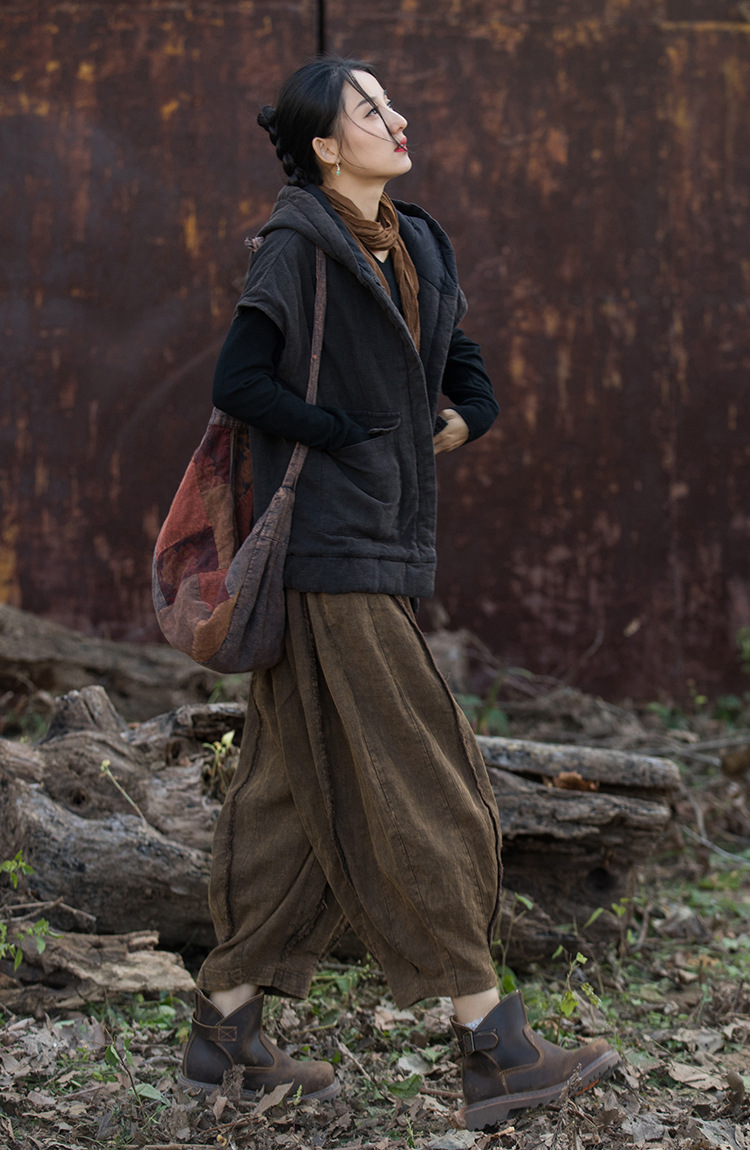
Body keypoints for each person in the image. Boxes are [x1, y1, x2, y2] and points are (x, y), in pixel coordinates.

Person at [178, 55, 619, 1130]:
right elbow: (240, 382)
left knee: (288, 798)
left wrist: (471, 410)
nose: (395, 115)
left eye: (390, 102)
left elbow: (457, 354)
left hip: (378, 543)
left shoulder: (414, 241)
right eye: (369, 108)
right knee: (430, 780)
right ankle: (493, 1045)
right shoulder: (297, 245)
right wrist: (344, 436)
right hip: (329, 555)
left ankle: (224, 1029)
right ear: (327, 146)